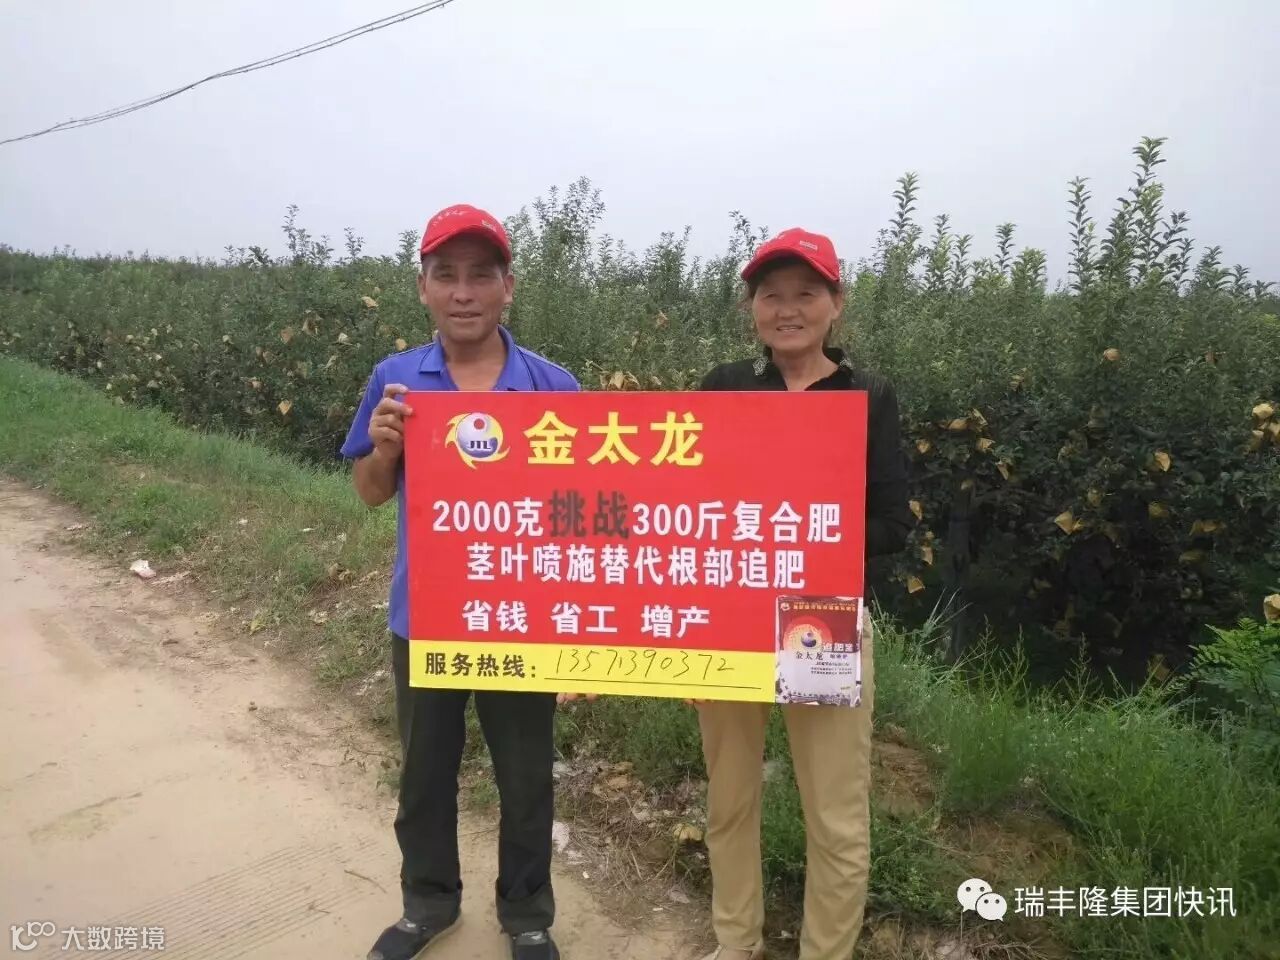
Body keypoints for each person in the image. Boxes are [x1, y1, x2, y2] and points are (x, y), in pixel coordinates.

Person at [341, 204, 579, 960]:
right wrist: (384, 449)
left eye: (481, 275)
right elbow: (369, 493)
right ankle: (428, 903)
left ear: (509, 286)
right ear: (423, 288)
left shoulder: (553, 387)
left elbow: (580, 514)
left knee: (525, 776)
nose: (464, 292)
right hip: (428, 617)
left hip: (519, 620)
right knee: (424, 773)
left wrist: (578, 630)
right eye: (446, 275)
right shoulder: (395, 380)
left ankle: (527, 915)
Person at [695, 227, 912, 960]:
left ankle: (827, 950)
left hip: (821, 619)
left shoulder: (866, 396)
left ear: (836, 303)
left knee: (835, 811)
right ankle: (736, 941)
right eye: (771, 295)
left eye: (806, 293)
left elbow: (894, 523)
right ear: (752, 308)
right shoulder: (724, 387)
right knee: (729, 798)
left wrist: (811, 537)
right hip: (730, 615)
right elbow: (683, 501)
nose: (787, 309)